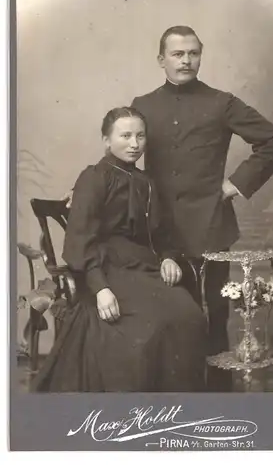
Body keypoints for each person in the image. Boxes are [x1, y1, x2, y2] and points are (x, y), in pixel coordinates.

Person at [131, 26, 273, 390]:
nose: (186, 61)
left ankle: (218, 399)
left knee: (215, 315)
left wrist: (236, 184)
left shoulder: (222, 102)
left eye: (193, 53)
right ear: (161, 60)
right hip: (158, 228)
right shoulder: (143, 104)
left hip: (209, 225)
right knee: (168, 314)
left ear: (201, 56)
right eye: (177, 54)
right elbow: (126, 156)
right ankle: (173, 396)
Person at [31, 106, 207, 393]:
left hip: (145, 268)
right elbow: (79, 240)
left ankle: (174, 409)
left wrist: (168, 258)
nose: (134, 143)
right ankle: (135, 409)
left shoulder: (147, 182)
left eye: (140, 136)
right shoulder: (93, 177)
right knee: (146, 328)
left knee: (188, 315)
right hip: (105, 269)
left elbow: (162, 233)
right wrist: (100, 288)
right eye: (125, 136)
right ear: (106, 141)